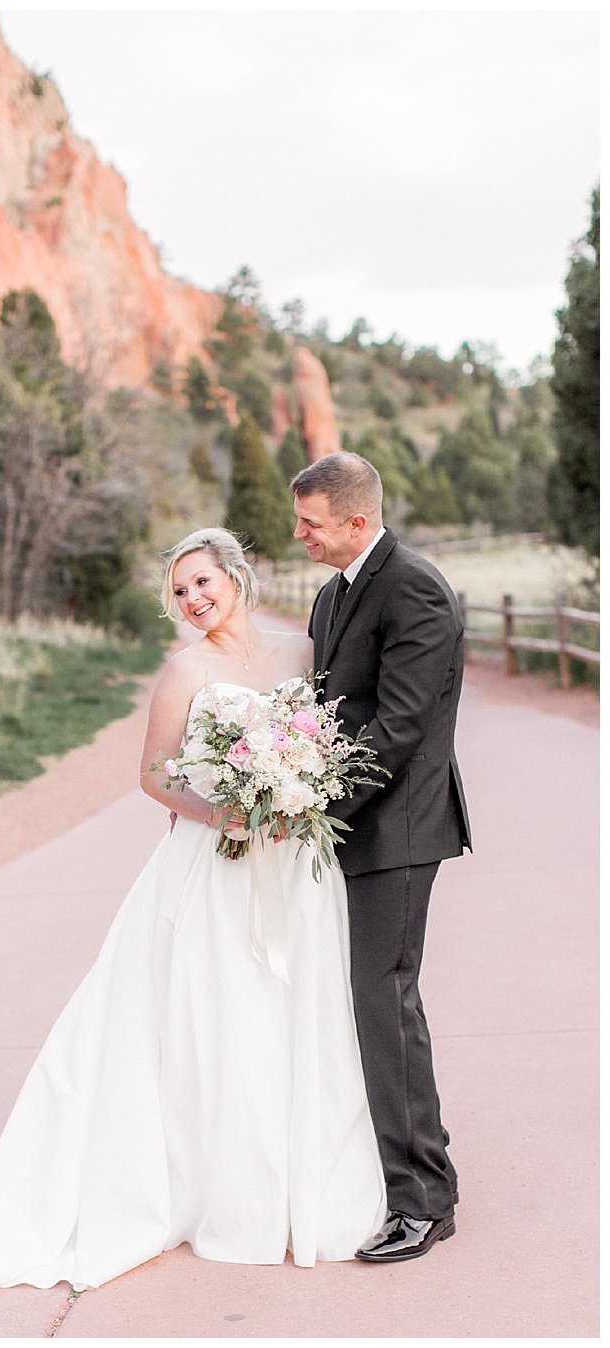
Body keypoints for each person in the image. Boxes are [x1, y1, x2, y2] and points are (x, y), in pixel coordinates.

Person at [0, 526, 385, 1301]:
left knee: (303, 1009)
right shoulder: (184, 671)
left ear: (235, 576)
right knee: (223, 1015)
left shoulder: (303, 652)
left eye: (202, 582)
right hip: (218, 862)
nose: (193, 599)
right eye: (179, 591)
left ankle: (310, 1182)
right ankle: (224, 1190)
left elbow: (327, 739)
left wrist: (301, 788)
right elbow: (156, 775)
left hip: (297, 864)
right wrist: (222, 812)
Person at [291, 452, 468, 1263]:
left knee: (385, 1001)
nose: (300, 536)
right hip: (352, 824)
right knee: (363, 999)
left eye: (311, 524)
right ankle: (393, 1172)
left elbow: (397, 728)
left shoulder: (415, 588)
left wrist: (315, 811)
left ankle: (424, 1200)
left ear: (357, 521)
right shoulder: (332, 595)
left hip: (397, 829)